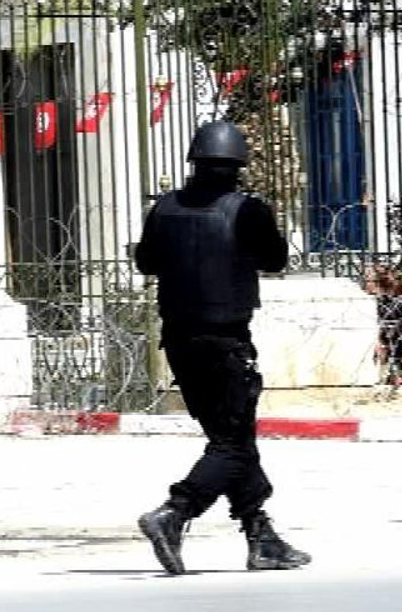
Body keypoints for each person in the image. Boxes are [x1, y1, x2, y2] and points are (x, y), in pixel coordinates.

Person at [133, 120, 311, 575]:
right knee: (231, 444)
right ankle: (175, 512)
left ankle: (261, 536)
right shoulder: (246, 210)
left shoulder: (164, 208)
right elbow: (275, 259)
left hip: (179, 343)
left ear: (194, 161)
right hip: (226, 342)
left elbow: (145, 262)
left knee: (232, 441)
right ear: (238, 166)